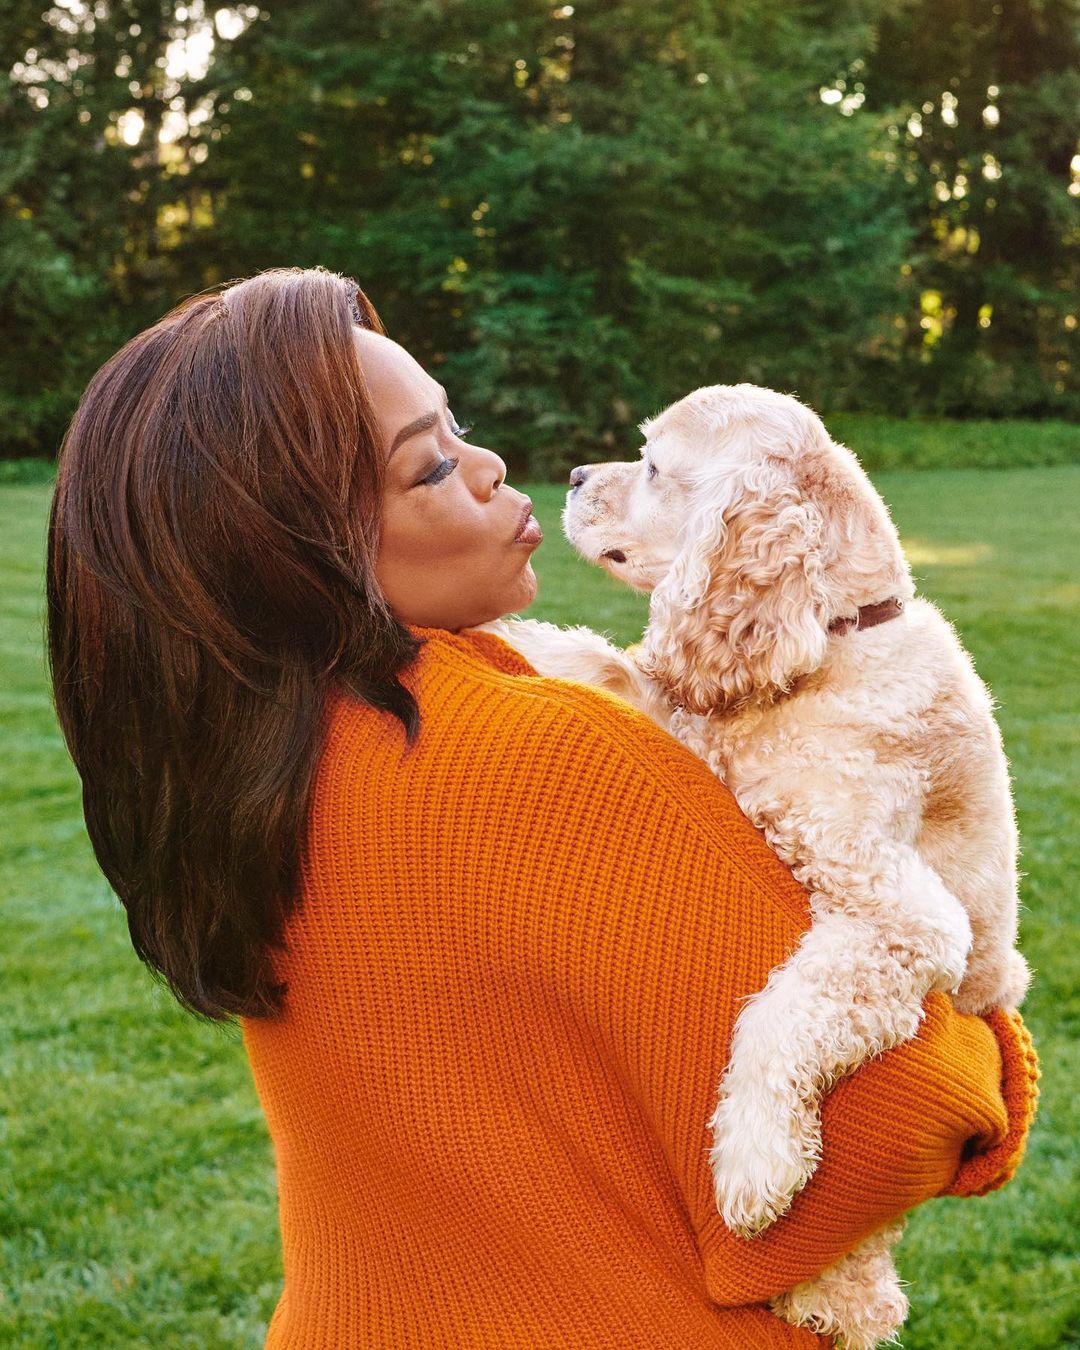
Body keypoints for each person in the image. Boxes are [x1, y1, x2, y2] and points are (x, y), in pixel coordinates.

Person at [47, 267, 1038, 1349]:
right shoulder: (561, 760)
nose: (489, 466)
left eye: (458, 426)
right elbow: (885, 1131)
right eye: (430, 467)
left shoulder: (242, 771)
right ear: (296, 557)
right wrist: (989, 1045)